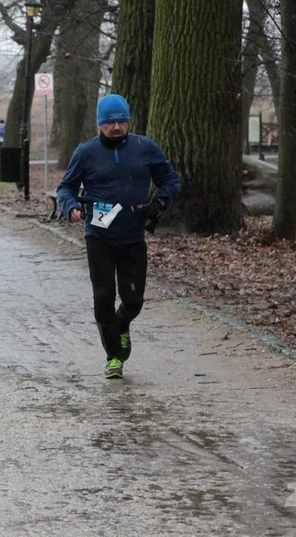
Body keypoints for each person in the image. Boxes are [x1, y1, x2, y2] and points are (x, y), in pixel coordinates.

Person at [56, 94, 181, 379]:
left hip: (133, 235)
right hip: (98, 235)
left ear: (128, 121)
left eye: (120, 120)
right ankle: (114, 357)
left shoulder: (145, 147)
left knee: (133, 299)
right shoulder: (86, 152)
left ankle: (122, 325)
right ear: (100, 124)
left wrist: (161, 201)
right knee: (103, 297)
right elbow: (65, 187)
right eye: (109, 122)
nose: (115, 126)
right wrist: (71, 206)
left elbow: (170, 180)